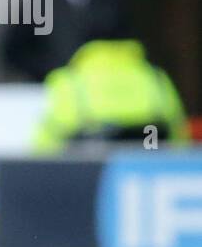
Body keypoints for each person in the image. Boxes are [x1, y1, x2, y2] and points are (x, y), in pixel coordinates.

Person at [34, 22, 189, 153]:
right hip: (147, 175)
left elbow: (46, 148)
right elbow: (179, 138)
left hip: (88, 179)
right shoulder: (155, 77)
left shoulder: (68, 80)